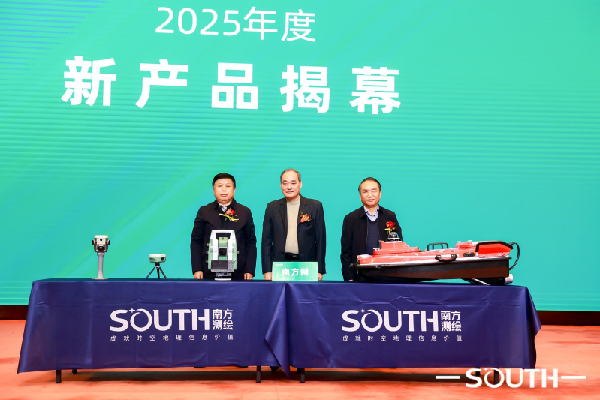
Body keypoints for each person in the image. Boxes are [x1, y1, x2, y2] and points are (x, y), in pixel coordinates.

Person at [261, 169, 326, 280]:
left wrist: (319, 269)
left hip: (307, 265)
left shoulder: (315, 206)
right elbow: (266, 241)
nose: (289, 187)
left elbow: (321, 240)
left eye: (293, 183)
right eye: (285, 183)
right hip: (280, 266)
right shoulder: (272, 207)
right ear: (281, 185)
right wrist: (267, 270)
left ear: (300, 184)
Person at [191, 173, 257, 280]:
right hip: (208, 271)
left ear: (234, 190)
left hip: (238, 272)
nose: (224, 190)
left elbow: (250, 242)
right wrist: (197, 269)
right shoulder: (204, 211)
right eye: (220, 186)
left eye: (228, 186)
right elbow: (196, 241)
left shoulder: (244, 212)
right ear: (214, 190)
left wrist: (249, 270)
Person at [340, 177, 402, 281]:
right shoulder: (351, 218)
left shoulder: (390, 216)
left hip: (387, 275)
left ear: (380, 194)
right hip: (360, 276)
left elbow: (398, 245)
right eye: (365, 192)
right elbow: (346, 252)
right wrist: (349, 277)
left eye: (374, 191)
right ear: (360, 196)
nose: (370, 195)